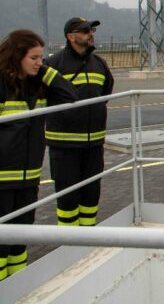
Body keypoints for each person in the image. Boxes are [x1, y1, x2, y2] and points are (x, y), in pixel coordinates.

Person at [0, 30, 76, 280]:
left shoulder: (37, 85)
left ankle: (17, 285)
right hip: (2, 179)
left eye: (41, 58)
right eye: (33, 58)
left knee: (21, 240)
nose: (38, 63)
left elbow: (69, 95)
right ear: (16, 56)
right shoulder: (1, 84)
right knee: (1, 244)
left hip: (29, 177)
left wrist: (45, 71)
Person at [44, 18, 114, 226]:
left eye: (91, 29)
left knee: (91, 194)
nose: (91, 33)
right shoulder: (53, 64)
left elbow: (105, 92)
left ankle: (88, 235)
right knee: (68, 198)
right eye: (84, 30)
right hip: (64, 146)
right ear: (71, 36)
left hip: (94, 145)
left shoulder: (100, 64)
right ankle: (68, 241)